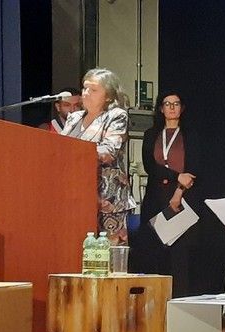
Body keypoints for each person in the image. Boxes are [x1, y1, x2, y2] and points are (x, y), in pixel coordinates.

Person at [129, 91, 202, 297]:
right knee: (154, 252)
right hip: (155, 198)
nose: (171, 107)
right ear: (161, 109)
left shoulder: (190, 135)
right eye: (167, 104)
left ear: (182, 108)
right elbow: (150, 167)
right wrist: (176, 176)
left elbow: (192, 170)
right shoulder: (151, 134)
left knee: (180, 255)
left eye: (176, 104)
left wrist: (178, 192)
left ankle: (180, 301)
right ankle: (154, 301)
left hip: (182, 199)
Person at [60, 68, 136, 246]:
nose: (86, 93)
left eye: (93, 90)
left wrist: (75, 151)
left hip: (106, 202)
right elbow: (59, 149)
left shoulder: (116, 116)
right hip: (74, 197)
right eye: (85, 88)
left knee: (107, 255)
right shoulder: (74, 118)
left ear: (108, 96)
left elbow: (109, 151)